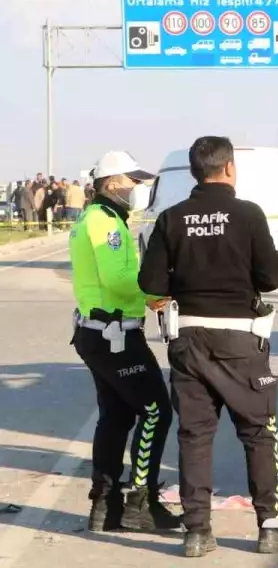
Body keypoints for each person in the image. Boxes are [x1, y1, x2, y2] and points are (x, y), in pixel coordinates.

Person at [139, 136, 278, 558]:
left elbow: (150, 284)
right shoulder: (247, 214)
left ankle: (197, 532)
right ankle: (270, 525)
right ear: (229, 168)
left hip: (187, 338)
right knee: (258, 432)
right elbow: (272, 277)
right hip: (239, 338)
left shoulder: (171, 218)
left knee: (194, 435)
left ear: (194, 171)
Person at [68, 151, 180, 533]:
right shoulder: (105, 223)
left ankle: (106, 505)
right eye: (134, 182)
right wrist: (154, 293)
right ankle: (140, 501)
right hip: (114, 335)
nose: (139, 189)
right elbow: (116, 279)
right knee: (155, 411)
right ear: (112, 183)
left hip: (97, 332)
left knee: (116, 416)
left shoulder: (97, 217)